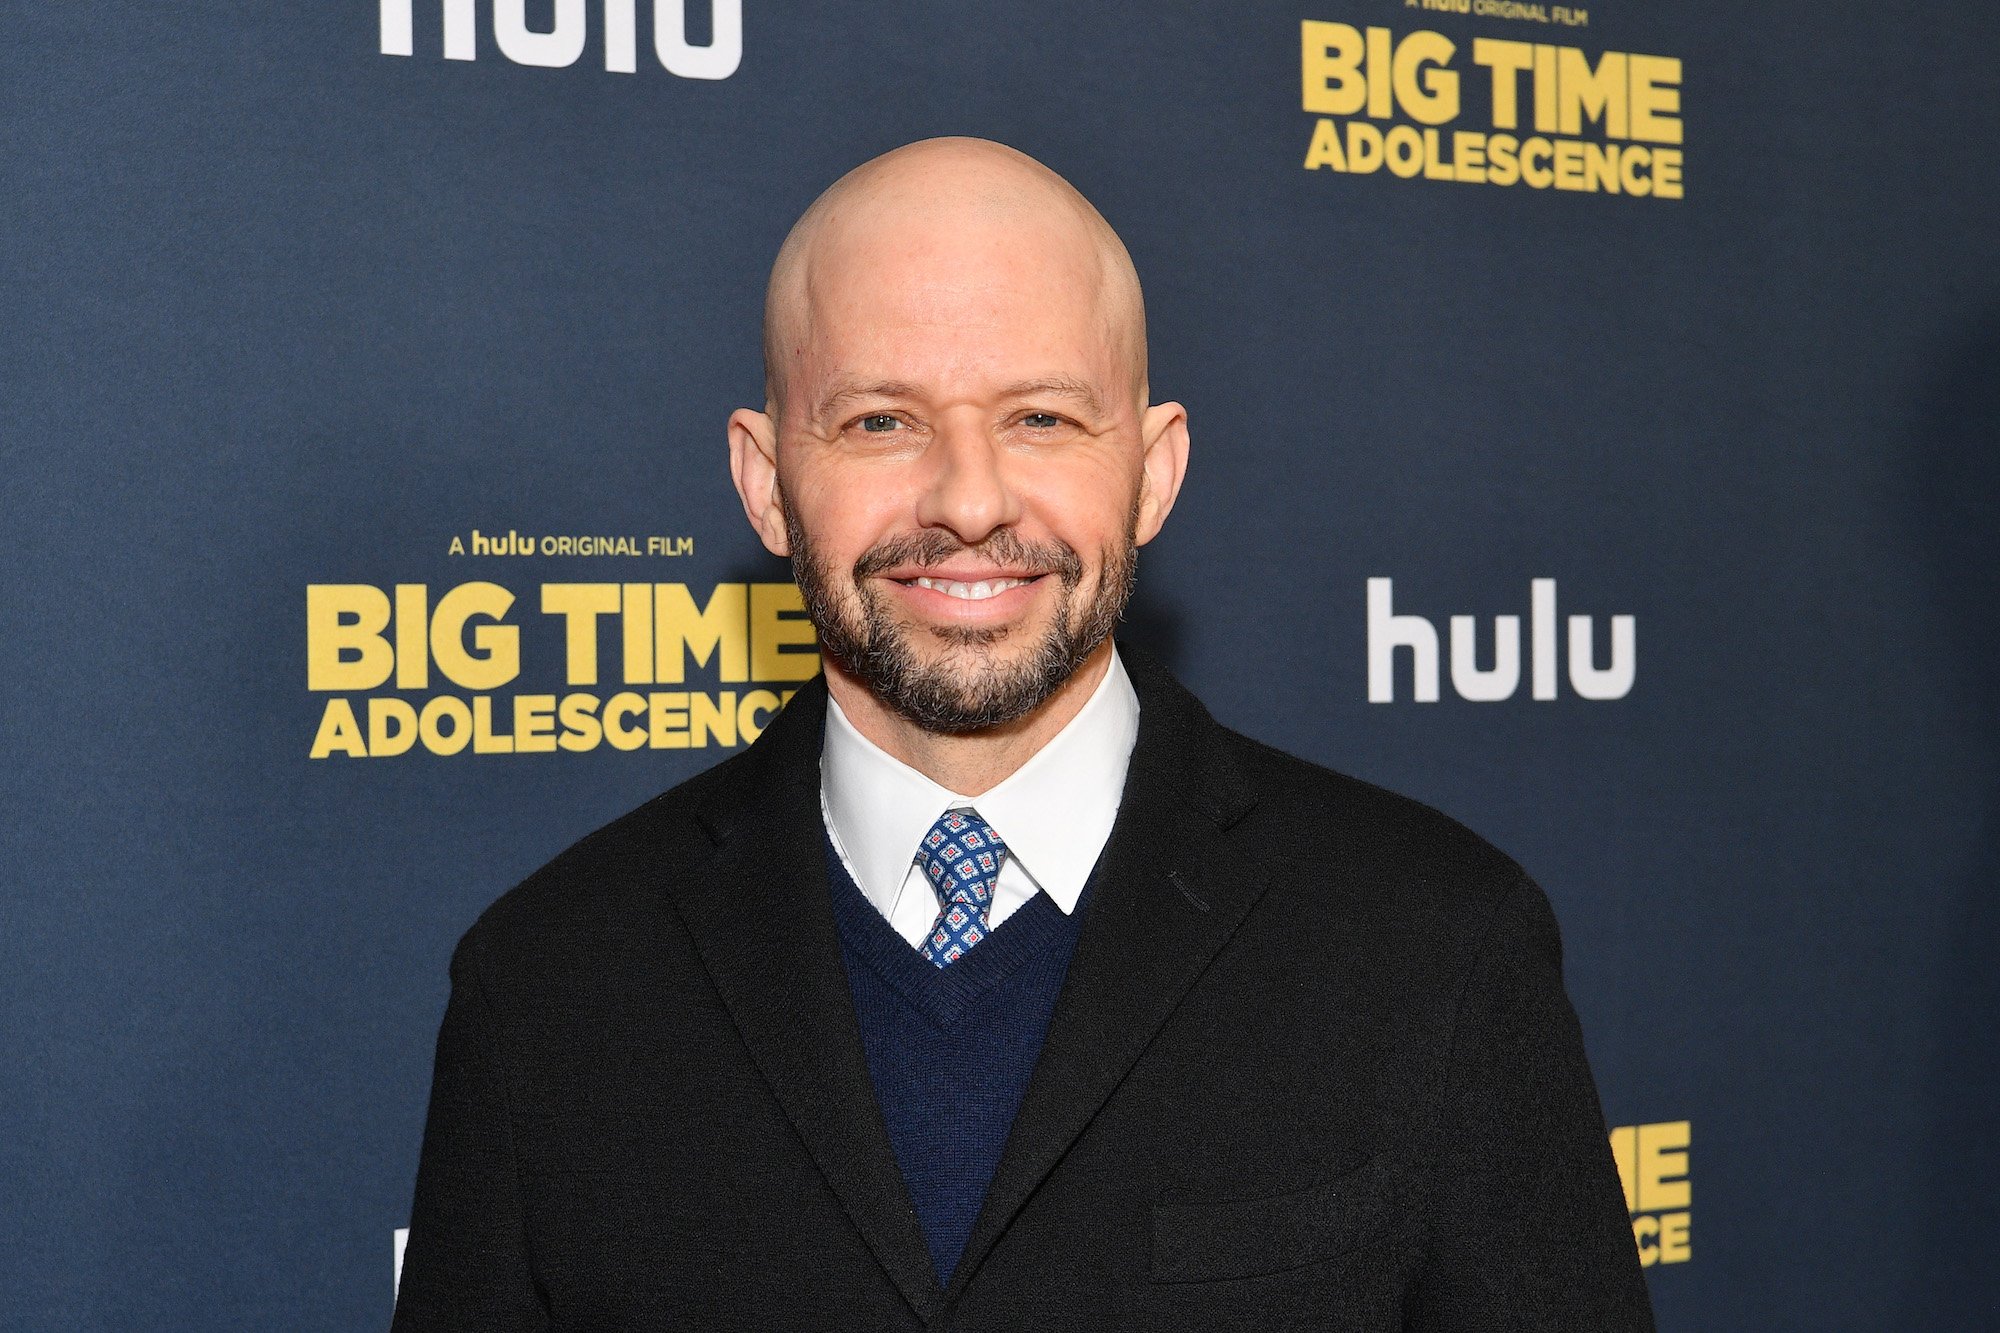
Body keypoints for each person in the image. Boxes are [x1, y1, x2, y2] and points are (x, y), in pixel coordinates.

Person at [391, 136, 1654, 1331]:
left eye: (1041, 417)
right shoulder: (547, 987)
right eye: (881, 420)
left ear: (1152, 470)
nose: (969, 499)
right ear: (767, 481)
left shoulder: (1437, 949)